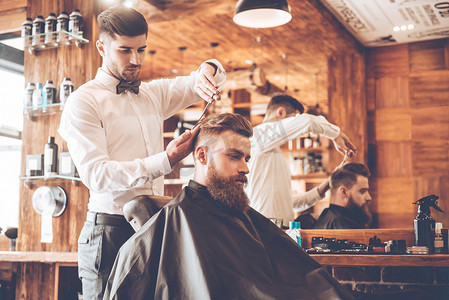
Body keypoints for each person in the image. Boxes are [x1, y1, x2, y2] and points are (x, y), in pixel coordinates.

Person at [58, 5, 226, 299]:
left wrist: (207, 72)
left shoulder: (152, 94)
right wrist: (167, 160)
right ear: (101, 47)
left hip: (152, 227)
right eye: (124, 50)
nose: (135, 59)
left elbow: (208, 73)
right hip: (108, 232)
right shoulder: (83, 102)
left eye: (141, 49)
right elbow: (97, 176)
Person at [103, 113, 355, 300]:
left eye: (246, 158)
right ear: (201, 156)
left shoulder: (240, 213)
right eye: (234, 156)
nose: (245, 168)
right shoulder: (177, 218)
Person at [247, 94, 357, 227]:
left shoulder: (273, 152)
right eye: (294, 118)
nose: (296, 125)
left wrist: (325, 186)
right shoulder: (259, 135)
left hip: (279, 229)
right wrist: (336, 134)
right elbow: (307, 122)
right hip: (263, 228)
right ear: (280, 112)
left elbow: (288, 203)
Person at [313, 162, 372, 229]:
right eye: (362, 191)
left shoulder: (329, 216)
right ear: (343, 192)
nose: (369, 197)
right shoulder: (339, 223)